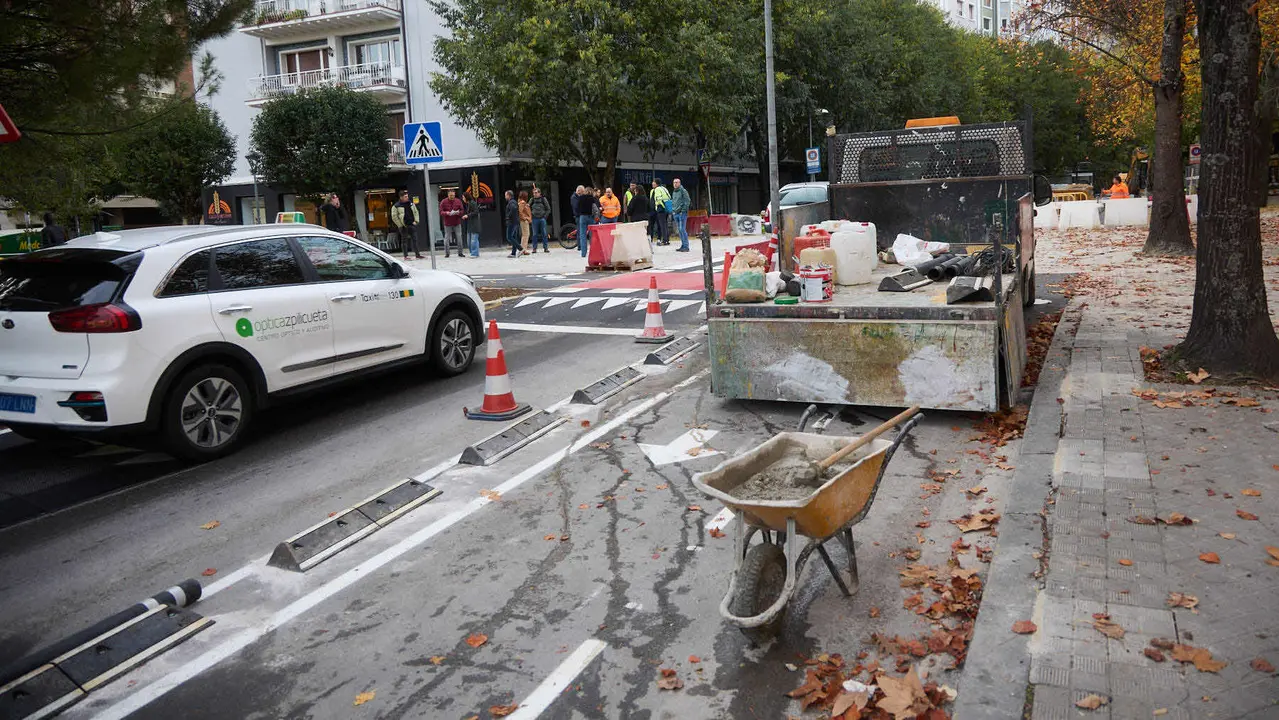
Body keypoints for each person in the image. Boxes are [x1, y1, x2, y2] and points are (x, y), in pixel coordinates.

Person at [391, 189, 422, 259]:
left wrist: (416, 221)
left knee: (415, 239)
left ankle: (417, 254)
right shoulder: (396, 206)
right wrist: (400, 225)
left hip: (411, 224)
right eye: (405, 197)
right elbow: (394, 217)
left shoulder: (411, 204)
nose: (407, 198)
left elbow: (416, 212)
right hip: (403, 225)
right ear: (401, 197)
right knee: (404, 241)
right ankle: (406, 256)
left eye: (407, 196)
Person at [439, 189, 465, 258]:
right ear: (448, 195)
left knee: (459, 238)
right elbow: (441, 212)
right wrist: (446, 213)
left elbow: (462, 210)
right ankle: (447, 253)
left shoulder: (458, 201)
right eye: (450, 195)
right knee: (446, 239)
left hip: (457, 222)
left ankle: (460, 253)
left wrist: (458, 212)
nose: (452, 197)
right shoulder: (443, 202)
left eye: (453, 195)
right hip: (447, 223)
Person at [669, 177, 692, 252]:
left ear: (680, 183)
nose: (675, 184)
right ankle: (683, 245)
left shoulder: (683, 191)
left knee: (682, 229)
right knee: (679, 230)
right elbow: (673, 202)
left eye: (676, 182)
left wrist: (683, 210)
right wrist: (673, 210)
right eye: (674, 182)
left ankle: (686, 246)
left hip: (682, 213)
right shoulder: (674, 192)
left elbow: (687, 201)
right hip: (675, 213)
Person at [529, 187, 551, 252]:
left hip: (542, 219)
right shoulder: (531, 200)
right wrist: (530, 216)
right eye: (533, 193)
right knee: (534, 234)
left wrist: (544, 217)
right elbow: (527, 208)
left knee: (544, 234)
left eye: (536, 193)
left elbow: (548, 209)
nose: (534, 194)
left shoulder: (543, 199)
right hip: (534, 219)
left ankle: (545, 248)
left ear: (539, 193)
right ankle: (534, 248)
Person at [650, 179, 671, 245]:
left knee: (662, 225)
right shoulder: (664, 188)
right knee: (665, 224)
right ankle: (667, 239)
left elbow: (658, 199)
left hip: (661, 209)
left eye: (653, 183)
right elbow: (669, 197)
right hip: (667, 208)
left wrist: (659, 207)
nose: (652, 184)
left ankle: (664, 240)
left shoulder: (657, 189)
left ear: (656, 184)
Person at [574, 185, 591, 258]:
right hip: (591, 217)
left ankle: (583, 253)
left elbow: (577, 208)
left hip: (582, 217)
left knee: (582, 235)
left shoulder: (580, 199)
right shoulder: (591, 198)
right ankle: (593, 251)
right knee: (592, 235)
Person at [462, 191, 481, 258]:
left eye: (463, 197)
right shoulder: (468, 204)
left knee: (473, 240)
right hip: (470, 225)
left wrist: (467, 215)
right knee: (470, 241)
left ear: (466, 197)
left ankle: (474, 253)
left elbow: (476, 212)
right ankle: (475, 252)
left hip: (474, 225)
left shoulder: (473, 203)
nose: (463, 199)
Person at [504, 190, 521, 257]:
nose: (505, 197)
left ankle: (520, 248)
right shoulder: (513, 202)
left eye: (506, 195)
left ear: (508, 195)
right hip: (514, 222)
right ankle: (513, 253)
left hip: (512, 222)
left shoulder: (511, 202)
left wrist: (508, 216)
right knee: (513, 237)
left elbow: (513, 209)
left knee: (509, 237)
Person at [517, 190, 532, 255]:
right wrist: (525, 218)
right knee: (526, 235)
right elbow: (520, 212)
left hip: (524, 220)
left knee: (525, 235)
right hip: (524, 221)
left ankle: (523, 249)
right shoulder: (522, 202)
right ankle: (523, 249)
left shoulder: (522, 202)